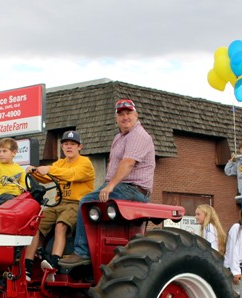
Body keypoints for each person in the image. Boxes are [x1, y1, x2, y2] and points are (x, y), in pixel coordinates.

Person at [60, 98, 155, 268]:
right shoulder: (119, 137)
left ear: (136, 115)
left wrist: (110, 186)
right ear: (116, 118)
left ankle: (82, 253)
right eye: (121, 114)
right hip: (120, 186)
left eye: (128, 113)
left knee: (86, 202)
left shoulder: (139, 135)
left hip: (133, 189)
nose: (125, 117)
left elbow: (128, 163)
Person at [23, 131, 96, 276]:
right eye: (66, 144)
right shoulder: (60, 163)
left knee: (61, 225)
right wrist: (34, 171)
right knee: (35, 223)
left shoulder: (85, 163)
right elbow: (46, 178)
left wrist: (49, 169)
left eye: (72, 144)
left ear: (79, 147)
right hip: (59, 203)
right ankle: (28, 266)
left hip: (77, 204)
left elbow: (71, 174)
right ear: (62, 147)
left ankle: (54, 264)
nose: (69, 147)